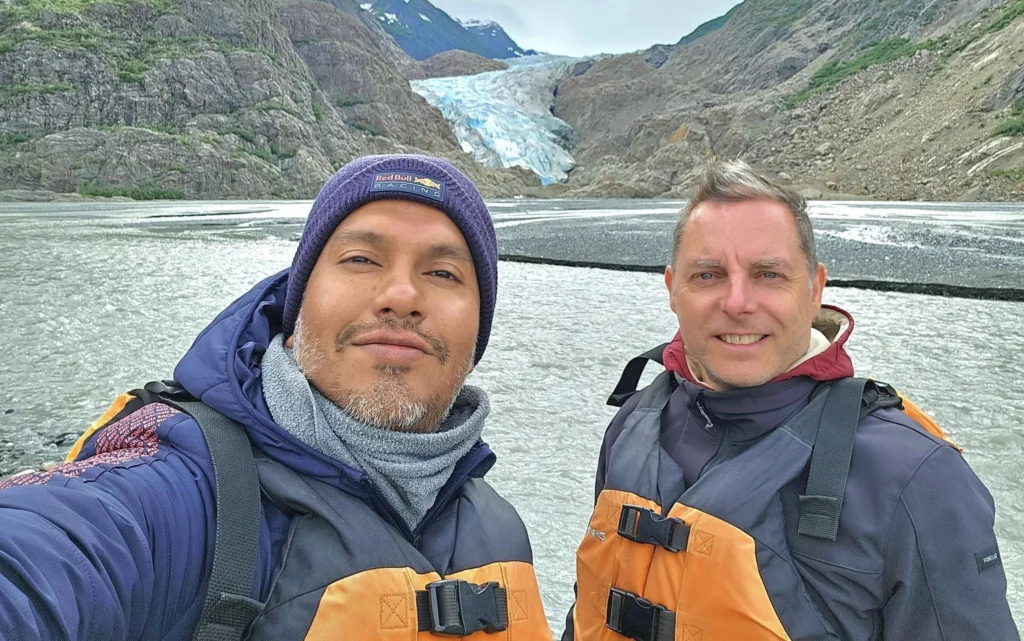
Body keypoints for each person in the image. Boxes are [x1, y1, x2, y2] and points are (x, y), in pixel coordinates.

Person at [0, 154, 553, 641]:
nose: (402, 296)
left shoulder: (497, 527)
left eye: (442, 271)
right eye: (361, 259)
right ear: (298, 304)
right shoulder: (181, 499)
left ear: (478, 330)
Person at [564, 159, 1018, 641]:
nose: (738, 302)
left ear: (814, 288)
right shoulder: (636, 423)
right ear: (672, 289)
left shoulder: (915, 476)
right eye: (707, 275)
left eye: (768, 275)